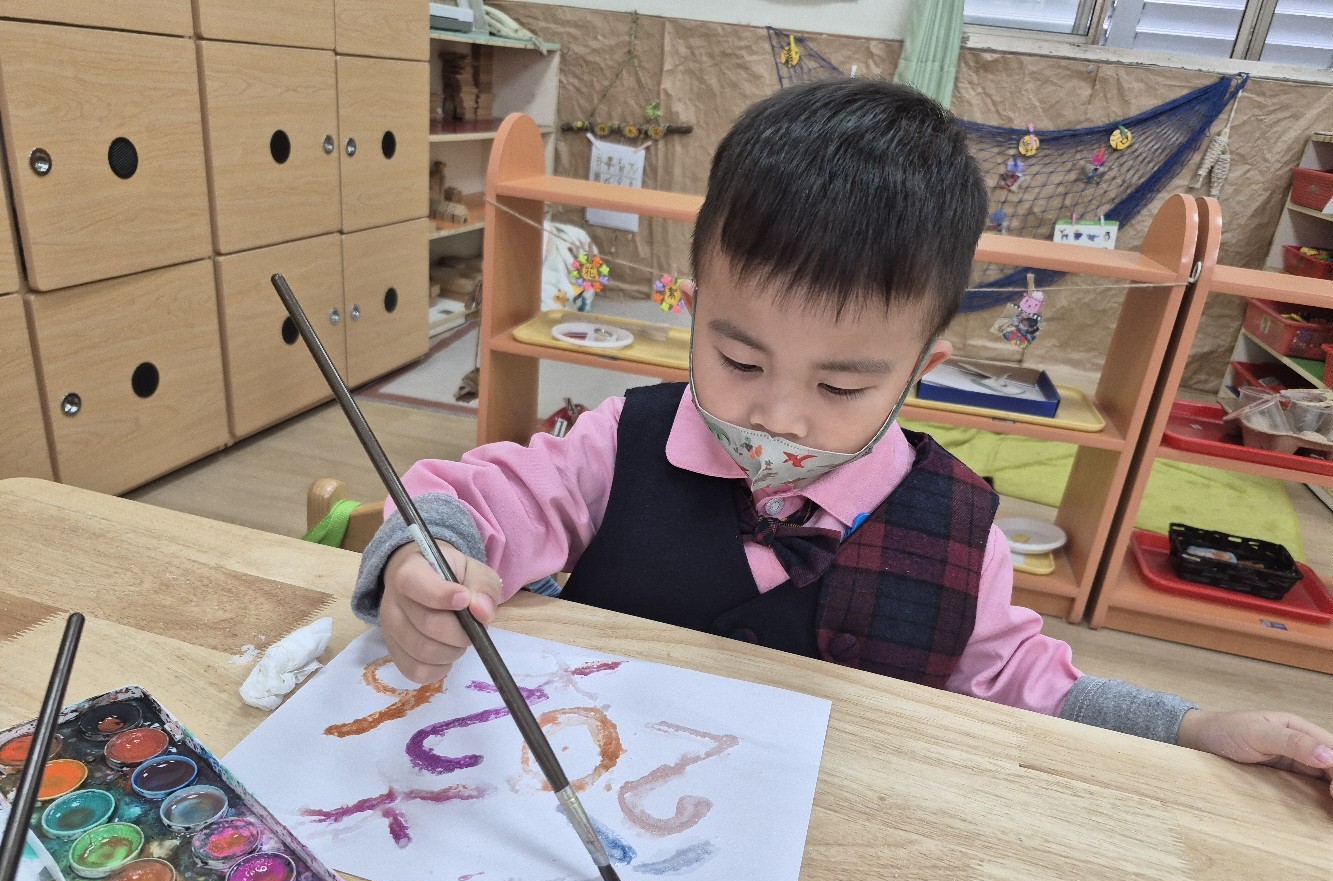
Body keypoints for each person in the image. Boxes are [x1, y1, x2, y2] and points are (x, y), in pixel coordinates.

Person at [352, 78, 1333, 796]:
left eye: (840, 385)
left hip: (810, 847)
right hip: (580, 796)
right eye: (738, 360)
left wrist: (1192, 725)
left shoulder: (960, 532)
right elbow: (468, 501)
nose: (778, 416)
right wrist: (424, 561)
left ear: (919, 366)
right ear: (693, 312)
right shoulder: (622, 443)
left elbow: (1024, 686)